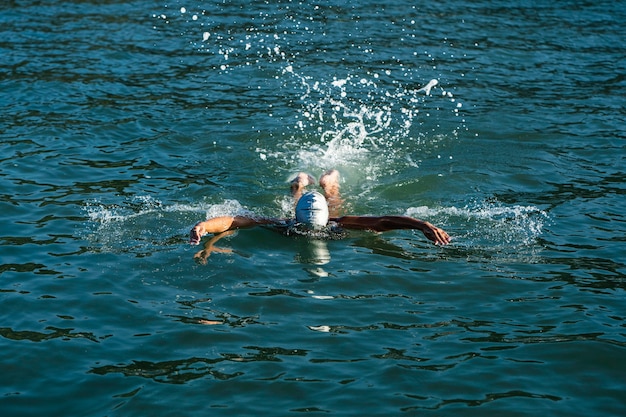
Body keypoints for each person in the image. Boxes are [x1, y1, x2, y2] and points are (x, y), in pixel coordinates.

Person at [189, 170, 450, 261]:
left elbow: (236, 221)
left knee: (334, 205)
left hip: (321, 216)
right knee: (332, 207)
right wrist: (205, 226)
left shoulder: (294, 225)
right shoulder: (306, 224)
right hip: (321, 216)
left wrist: (421, 224)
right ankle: (307, 185)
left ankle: (316, 184)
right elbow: (233, 220)